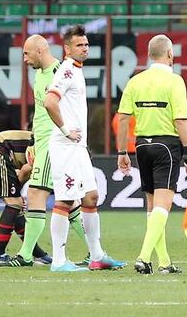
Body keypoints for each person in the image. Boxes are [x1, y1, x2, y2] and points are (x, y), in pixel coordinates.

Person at [0, 34, 89, 268]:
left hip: (55, 143)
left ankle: (26, 254)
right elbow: (40, 113)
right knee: (69, 202)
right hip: (42, 143)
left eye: (27, 54)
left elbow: (63, 109)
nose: (24, 59)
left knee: (37, 195)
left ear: (40, 51)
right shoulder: (39, 75)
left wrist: (63, 133)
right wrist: (33, 141)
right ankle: (96, 251)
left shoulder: (60, 72)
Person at [44, 25, 125, 272]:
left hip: (78, 147)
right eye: (79, 45)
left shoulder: (77, 71)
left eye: (87, 44)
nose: (85, 48)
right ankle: (59, 261)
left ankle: (97, 256)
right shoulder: (67, 71)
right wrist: (66, 130)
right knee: (66, 200)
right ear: (67, 49)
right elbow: (50, 101)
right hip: (65, 146)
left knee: (91, 197)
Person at [117, 34, 187, 275]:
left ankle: (163, 262)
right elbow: (181, 120)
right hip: (166, 145)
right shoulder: (175, 81)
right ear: (170, 54)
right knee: (163, 206)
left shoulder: (135, 81)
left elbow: (122, 118)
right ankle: (143, 257)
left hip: (142, 146)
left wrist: (122, 151)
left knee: (152, 208)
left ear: (150, 55)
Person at [0, 130, 52, 265]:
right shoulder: (46, 145)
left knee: (16, 207)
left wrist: (16, 193)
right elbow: (27, 169)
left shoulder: (43, 141)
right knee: (15, 204)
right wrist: (17, 193)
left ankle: (37, 254)